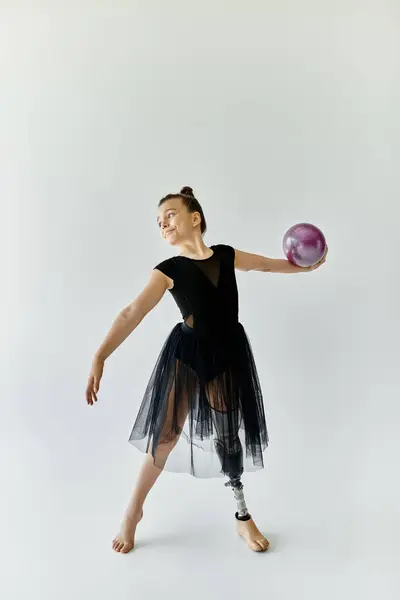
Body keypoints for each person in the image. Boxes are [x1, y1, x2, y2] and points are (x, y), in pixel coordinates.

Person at [85, 186, 327, 554]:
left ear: (194, 218)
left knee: (229, 437)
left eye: (170, 214)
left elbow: (264, 263)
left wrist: (304, 265)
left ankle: (242, 517)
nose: (163, 223)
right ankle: (133, 512)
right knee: (164, 436)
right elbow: (131, 312)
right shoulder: (168, 271)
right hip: (187, 355)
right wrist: (100, 356)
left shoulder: (227, 256)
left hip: (228, 352)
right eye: (158, 221)